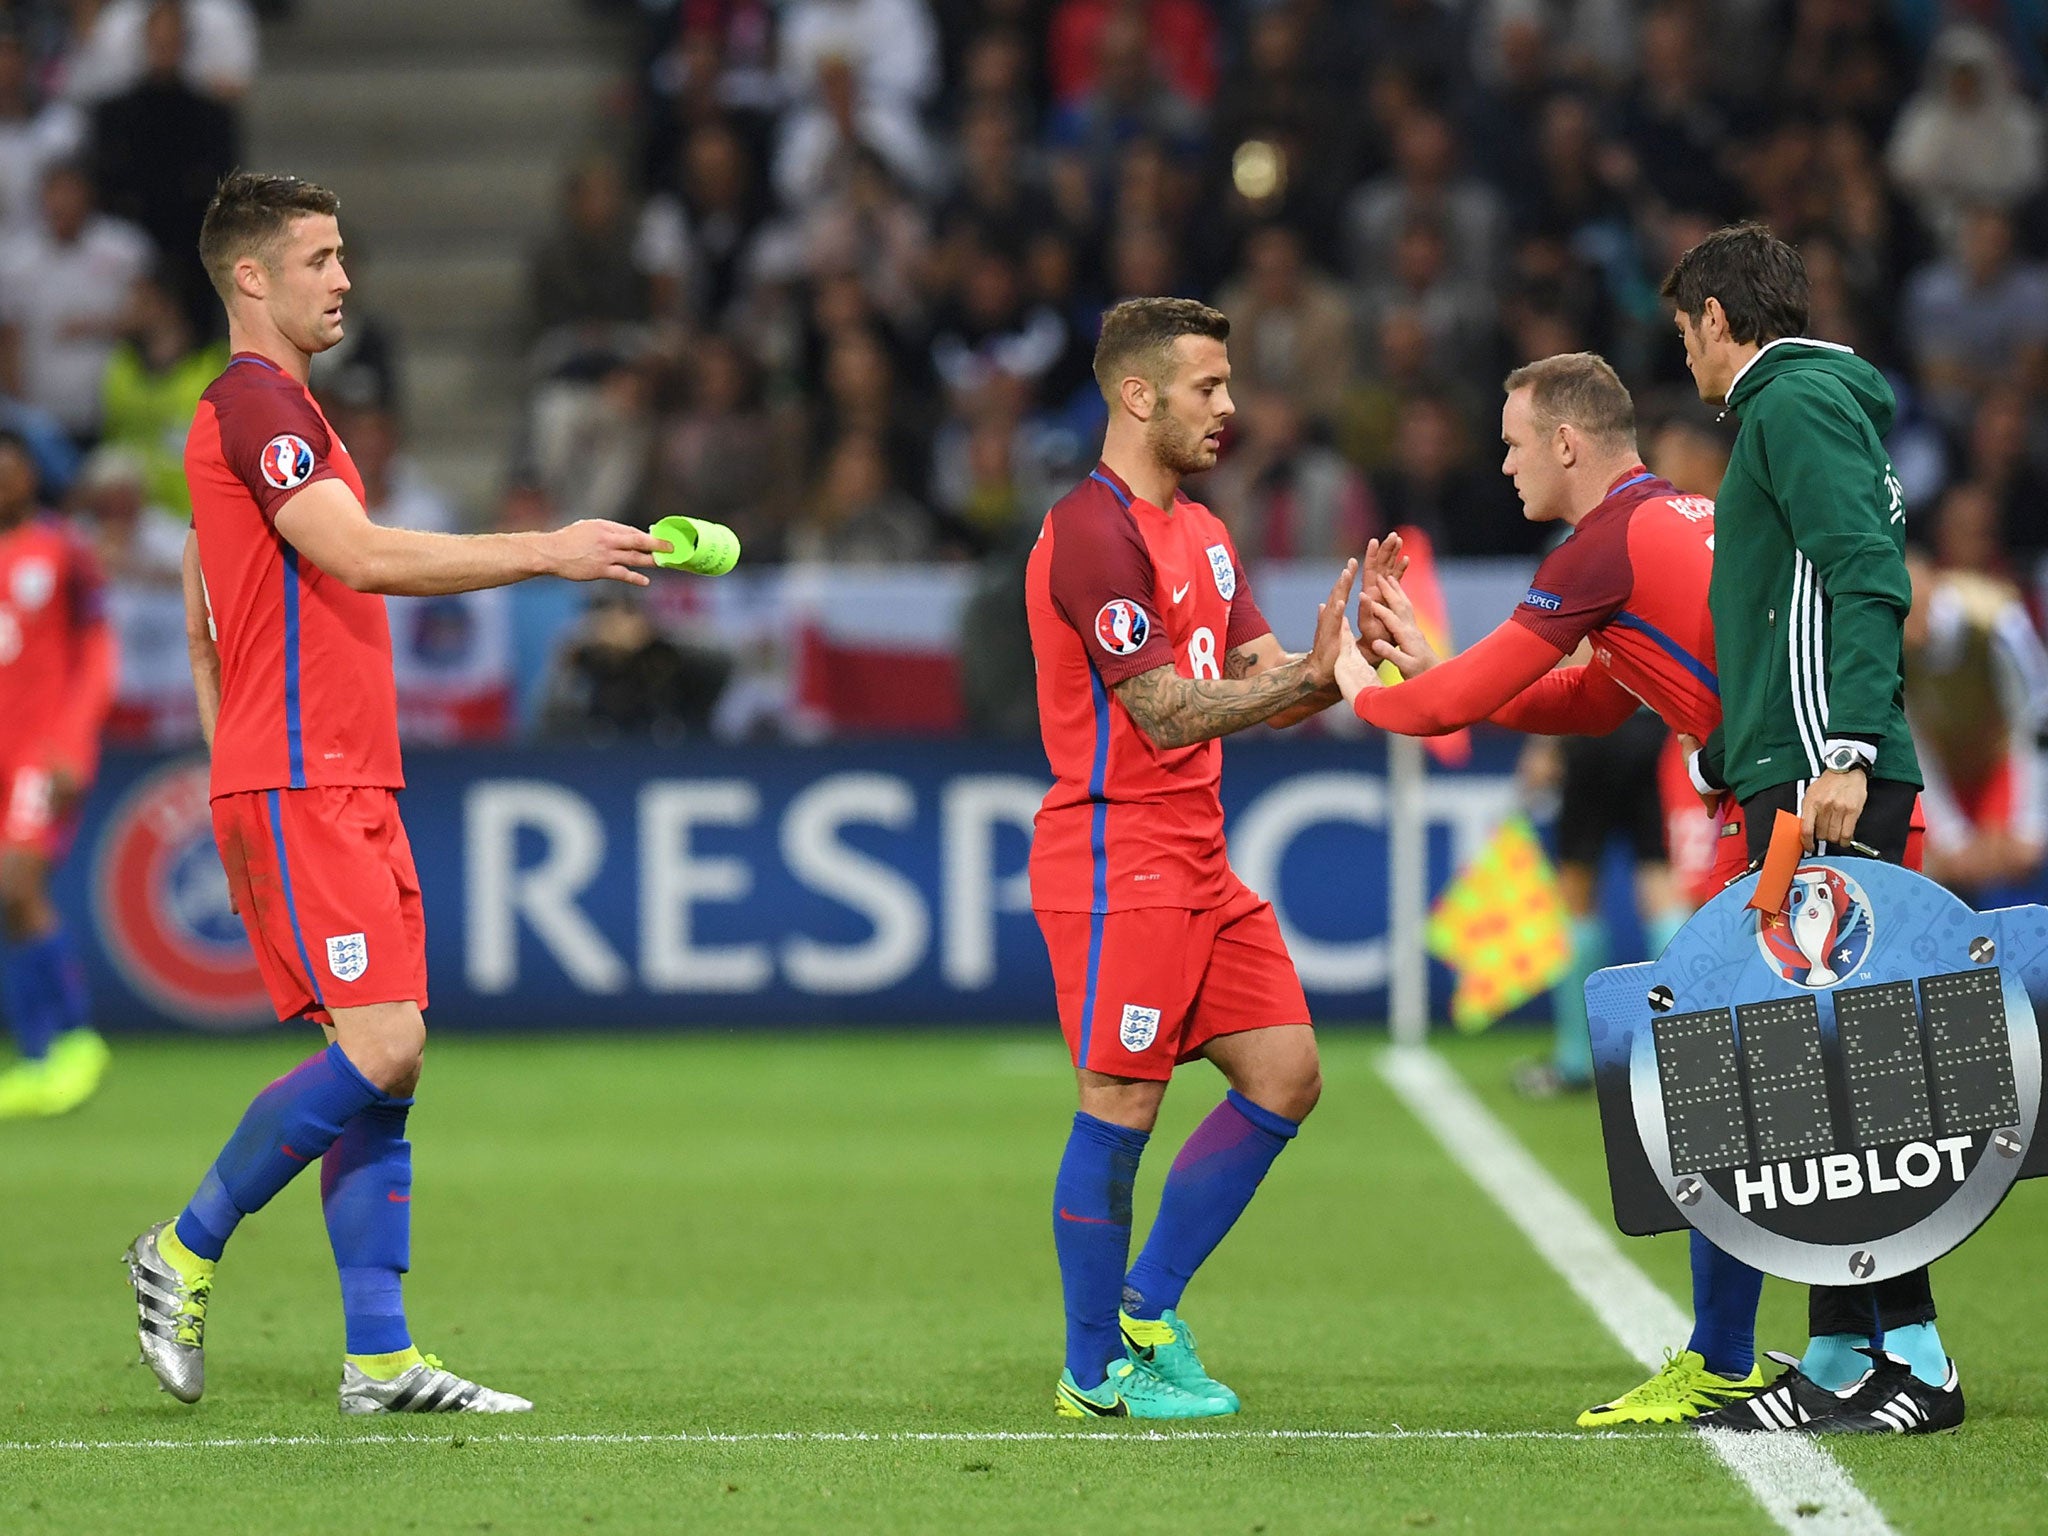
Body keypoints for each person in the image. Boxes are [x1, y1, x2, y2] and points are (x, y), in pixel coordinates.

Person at [126, 172, 664, 1416]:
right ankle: (183, 1245)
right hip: (304, 776)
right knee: (385, 1041)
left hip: (343, 773)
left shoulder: (286, 412)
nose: (345, 277)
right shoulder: (257, 404)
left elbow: (207, 621)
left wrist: (229, 749)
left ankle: (379, 1359)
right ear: (250, 277)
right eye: (319, 256)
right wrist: (550, 548)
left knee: (384, 1067)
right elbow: (357, 556)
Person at [1336, 352, 1763, 1427]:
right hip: (1801, 802)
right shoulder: (1672, 519)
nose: (1503, 458)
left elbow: (1430, 716)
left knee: (1724, 1092)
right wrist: (1430, 659)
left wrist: (1352, 674)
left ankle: (1754, 1359)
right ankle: (1808, 1349)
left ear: (1567, 443)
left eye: (1514, 438)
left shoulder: (1598, 545)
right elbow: (1583, 702)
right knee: (1755, 1089)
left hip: (1784, 823)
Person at [1025, 296, 1354, 1419]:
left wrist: (1348, 660)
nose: (1229, 406)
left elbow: (1269, 682)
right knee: (1119, 1099)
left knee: (1285, 1072)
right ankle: (1090, 1373)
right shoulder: (1090, 530)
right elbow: (1165, 711)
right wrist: (1301, 679)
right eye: (1207, 387)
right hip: (1119, 854)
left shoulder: (1204, 535)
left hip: (1197, 859)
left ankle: (1143, 1304)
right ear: (1136, 394)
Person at [1665, 222, 1959, 1435]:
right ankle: (1841, 1350)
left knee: (1853, 1072)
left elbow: (1862, 567)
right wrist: (1735, 754)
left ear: (1721, 321)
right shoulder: (1801, 408)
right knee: (1803, 1072)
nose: (1682, 356)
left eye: (1683, 331)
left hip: (1823, 780)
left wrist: (1837, 750)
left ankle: (1921, 1361)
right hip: (1788, 774)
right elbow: (1786, 599)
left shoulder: (1787, 407)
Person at [0, 428, 114, 1118]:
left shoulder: (63, 550)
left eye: (9, 468)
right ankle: (37, 1053)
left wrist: (73, 743)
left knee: (18, 884)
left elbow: (98, 652)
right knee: (6, 899)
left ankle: (73, 1040)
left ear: (29, 477)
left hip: (40, 754)